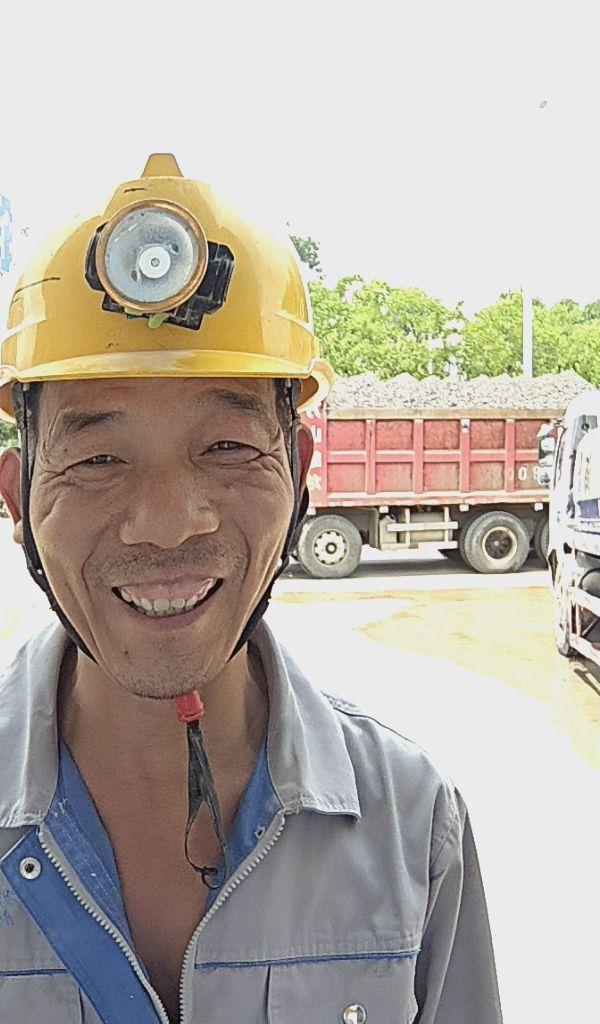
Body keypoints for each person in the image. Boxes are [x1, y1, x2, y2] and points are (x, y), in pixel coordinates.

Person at [0, 154, 503, 1024]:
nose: (167, 524)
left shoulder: (414, 828)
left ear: (299, 472)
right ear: (16, 496)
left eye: (228, 447)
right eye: (98, 457)